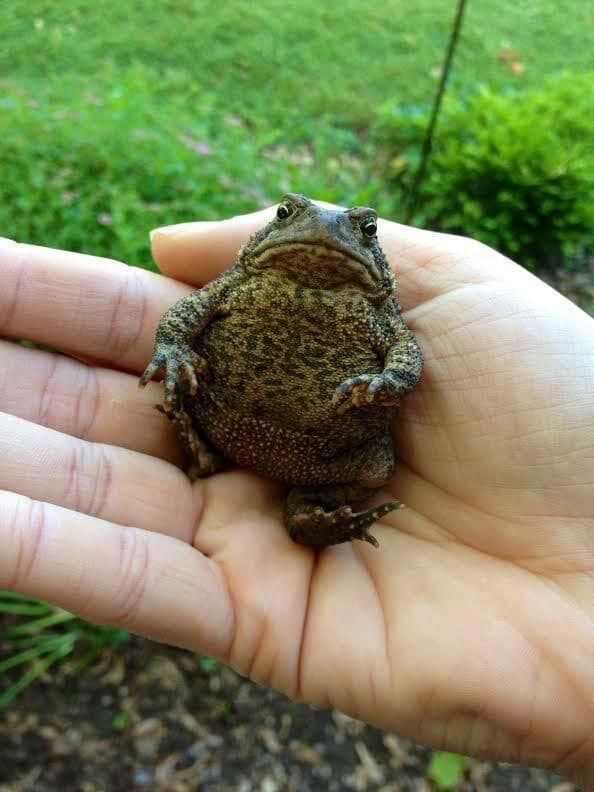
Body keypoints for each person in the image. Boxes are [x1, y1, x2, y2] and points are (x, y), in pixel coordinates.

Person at [0, 206, 592, 786]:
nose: (327, 232)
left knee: (337, 491)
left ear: (374, 249)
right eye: (289, 214)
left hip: (330, 455)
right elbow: (184, 317)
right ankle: (213, 458)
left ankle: (311, 514)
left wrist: (388, 383)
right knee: (179, 408)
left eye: (361, 229)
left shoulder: (374, 309)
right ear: (270, 227)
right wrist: (174, 350)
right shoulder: (243, 278)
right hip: (223, 427)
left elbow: (405, 358)